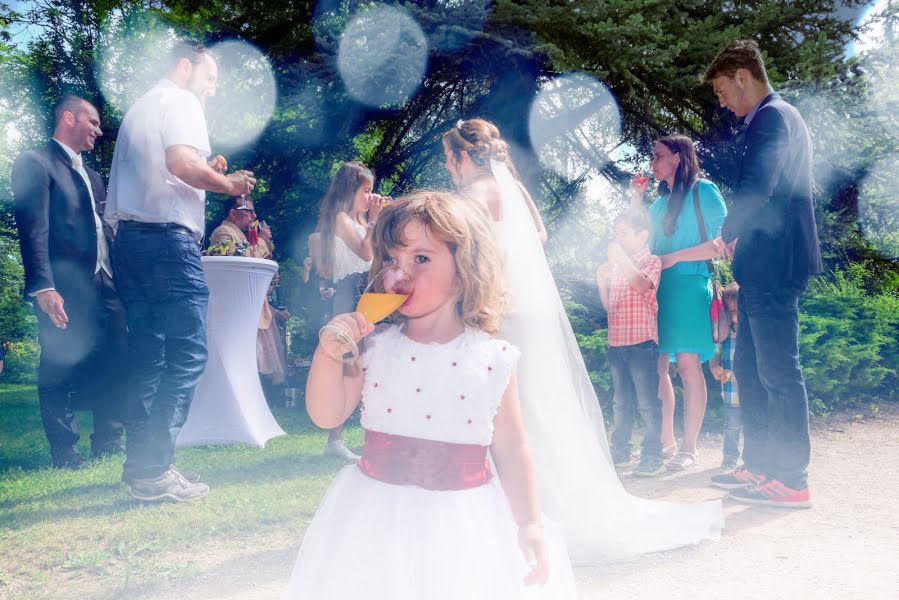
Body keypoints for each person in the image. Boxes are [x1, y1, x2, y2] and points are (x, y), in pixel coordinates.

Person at [442, 118, 722, 564]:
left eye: (448, 157)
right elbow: (540, 235)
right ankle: (536, 504)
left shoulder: (473, 196)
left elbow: (458, 252)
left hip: (502, 311)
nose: (448, 167)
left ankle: (516, 513)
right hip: (525, 311)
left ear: (461, 156)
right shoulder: (510, 186)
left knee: (507, 411)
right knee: (534, 408)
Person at [284, 190, 576, 599]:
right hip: (375, 517)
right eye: (391, 259)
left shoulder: (493, 357)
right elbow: (326, 414)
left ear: (464, 269)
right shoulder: (374, 348)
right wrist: (328, 354)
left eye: (420, 258)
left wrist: (529, 524)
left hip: (462, 521)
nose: (400, 272)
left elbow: (512, 447)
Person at [106, 40, 255, 502]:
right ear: (185, 67)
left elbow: (166, 171)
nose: (210, 90)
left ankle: (143, 469)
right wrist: (229, 183)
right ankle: (153, 470)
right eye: (209, 79)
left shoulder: (141, 107)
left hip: (130, 242)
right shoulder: (182, 99)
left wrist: (202, 170)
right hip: (168, 243)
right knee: (187, 354)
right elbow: (179, 163)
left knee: (149, 357)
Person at [704, 40, 822, 508]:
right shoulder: (772, 117)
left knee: (778, 370)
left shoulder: (774, 116)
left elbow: (760, 184)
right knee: (750, 369)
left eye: (722, 91)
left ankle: (792, 479)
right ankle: (759, 466)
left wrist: (728, 232)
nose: (723, 102)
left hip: (777, 263)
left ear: (741, 76)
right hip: (762, 265)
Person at [12, 95, 128, 468]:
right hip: (63, 287)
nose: (98, 129)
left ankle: (108, 440)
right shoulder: (36, 163)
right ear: (67, 118)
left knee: (115, 357)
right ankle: (65, 450)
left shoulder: (93, 176)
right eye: (92, 122)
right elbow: (33, 228)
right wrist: (43, 286)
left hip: (106, 282)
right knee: (59, 365)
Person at [630, 135, 728, 471]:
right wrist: (635, 199)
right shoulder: (656, 208)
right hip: (657, 290)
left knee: (688, 366)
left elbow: (722, 242)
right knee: (656, 369)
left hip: (690, 285)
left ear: (678, 157)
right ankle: (665, 443)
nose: (652, 163)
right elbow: (634, 241)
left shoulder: (705, 192)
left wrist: (675, 258)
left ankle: (689, 449)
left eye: (658, 156)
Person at [311, 161, 389, 461]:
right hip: (349, 293)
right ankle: (335, 437)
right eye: (365, 191)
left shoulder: (355, 219)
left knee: (369, 359)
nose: (371, 196)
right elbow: (366, 252)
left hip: (364, 289)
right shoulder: (341, 218)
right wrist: (374, 219)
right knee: (350, 362)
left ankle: (370, 428)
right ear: (350, 191)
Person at [596, 209, 664, 477]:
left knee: (647, 403)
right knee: (620, 402)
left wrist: (620, 258)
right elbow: (608, 305)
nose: (618, 238)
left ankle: (652, 455)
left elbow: (640, 283)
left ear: (642, 235)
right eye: (617, 233)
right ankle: (621, 451)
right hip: (617, 343)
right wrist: (602, 282)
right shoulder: (616, 266)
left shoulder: (651, 261)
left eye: (623, 233)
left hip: (641, 343)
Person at [709, 283, 741, 471]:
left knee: (755, 423)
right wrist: (714, 365)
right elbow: (715, 351)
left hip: (751, 386)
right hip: (731, 387)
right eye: (729, 312)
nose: (733, 316)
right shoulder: (724, 331)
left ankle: (753, 459)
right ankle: (730, 457)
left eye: (736, 311)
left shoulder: (752, 329)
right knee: (732, 425)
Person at [209, 195, 274, 258]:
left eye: (254, 212)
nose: (254, 216)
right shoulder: (223, 231)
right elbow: (241, 257)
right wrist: (262, 239)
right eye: (250, 211)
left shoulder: (240, 234)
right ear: (233, 213)